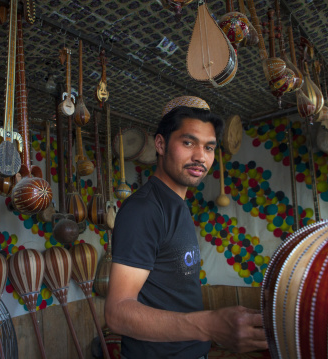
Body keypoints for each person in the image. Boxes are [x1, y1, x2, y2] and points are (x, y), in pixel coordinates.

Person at [105, 96, 268, 359]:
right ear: (161, 144)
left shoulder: (178, 204)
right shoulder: (144, 210)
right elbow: (117, 313)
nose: (200, 157)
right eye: (188, 142)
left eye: (209, 147)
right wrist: (210, 325)